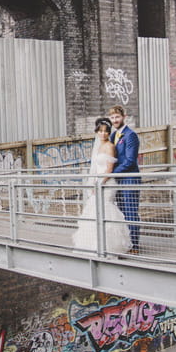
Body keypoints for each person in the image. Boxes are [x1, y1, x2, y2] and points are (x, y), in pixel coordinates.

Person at [72, 117, 129, 254]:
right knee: (93, 210)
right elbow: (96, 168)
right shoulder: (98, 147)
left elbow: (109, 169)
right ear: (96, 132)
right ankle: (91, 245)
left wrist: (99, 183)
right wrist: (93, 184)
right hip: (97, 182)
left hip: (107, 183)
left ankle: (108, 247)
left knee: (106, 210)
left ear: (109, 133)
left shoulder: (110, 146)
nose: (103, 134)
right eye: (100, 131)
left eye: (105, 131)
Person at [108, 105, 141, 254]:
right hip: (118, 180)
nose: (115, 120)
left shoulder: (130, 135)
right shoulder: (113, 136)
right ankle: (124, 243)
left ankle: (134, 245)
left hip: (129, 178)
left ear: (124, 117)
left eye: (117, 117)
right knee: (120, 212)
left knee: (130, 211)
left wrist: (111, 173)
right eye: (112, 118)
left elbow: (130, 161)